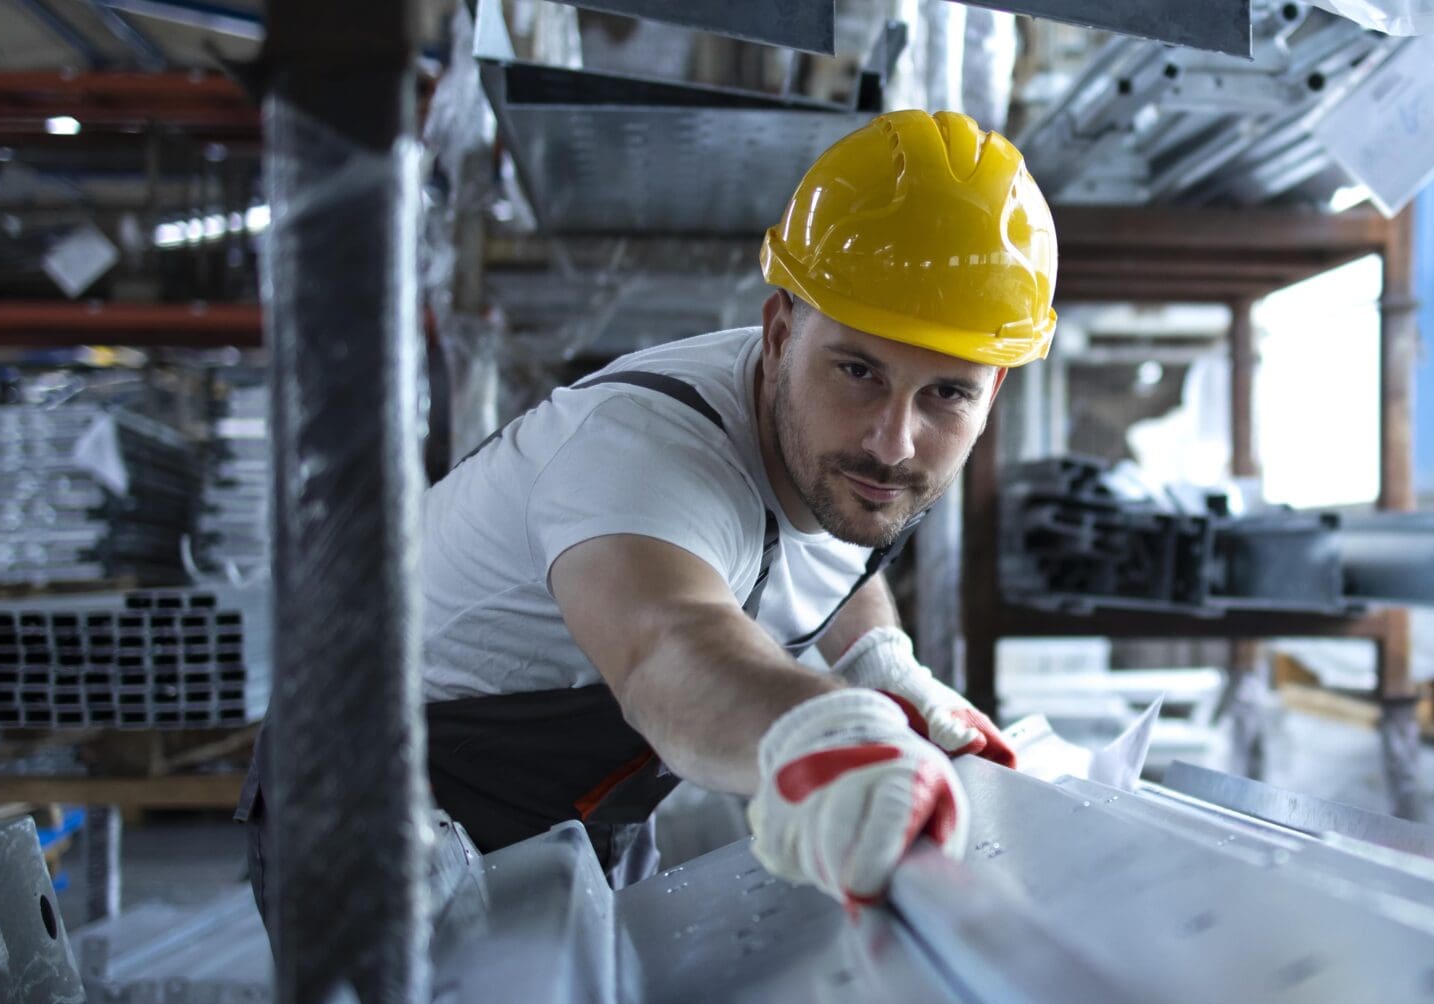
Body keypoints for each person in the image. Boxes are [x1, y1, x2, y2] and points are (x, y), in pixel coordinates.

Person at [412, 108, 1053, 900]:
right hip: (399, 813)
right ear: (780, 331)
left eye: (947, 393)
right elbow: (665, 649)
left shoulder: (834, 450)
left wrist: (880, 662)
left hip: (581, 811)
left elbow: (837, 545)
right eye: (859, 371)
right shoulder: (642, 455)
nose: (893, 442)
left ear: (994, 390)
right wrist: (827, 728)